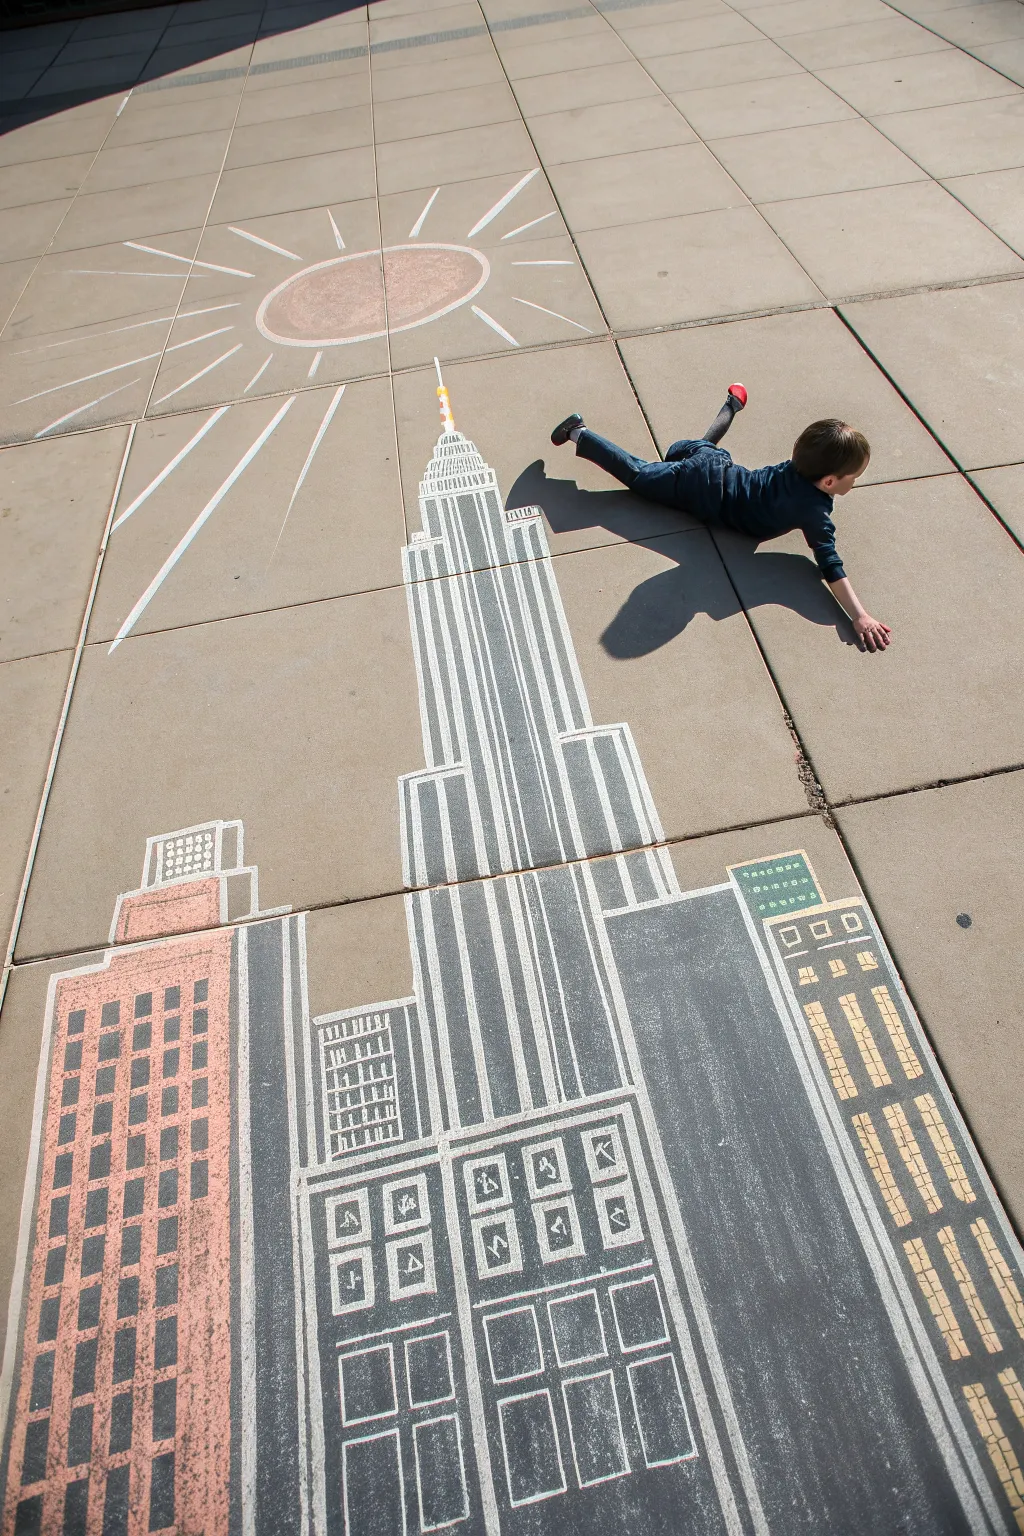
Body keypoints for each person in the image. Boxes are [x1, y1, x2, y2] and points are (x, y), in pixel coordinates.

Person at [550, 388, 892, 652]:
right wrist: (859, 615)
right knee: (639, 475)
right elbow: (829, 564)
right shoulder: (814, 511)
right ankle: (578, 431)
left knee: (690, 449)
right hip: (698, 486)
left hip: (716, 466)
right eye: (854, 477)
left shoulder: (797, 467)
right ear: (829, 482)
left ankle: (731, 406)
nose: (855, 482)